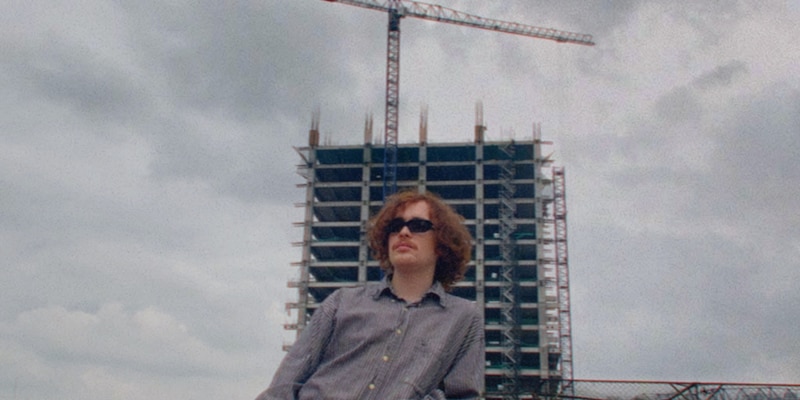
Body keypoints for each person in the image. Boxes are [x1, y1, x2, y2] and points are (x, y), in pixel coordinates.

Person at [256, 190, 484, 399]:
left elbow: (465, 395)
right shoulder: (342, 302)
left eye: (418, 225)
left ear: (442, 244)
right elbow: (283, 386)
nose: (403, 232)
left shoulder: (464, 318)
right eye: (395, 226)